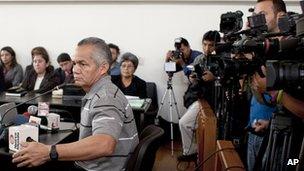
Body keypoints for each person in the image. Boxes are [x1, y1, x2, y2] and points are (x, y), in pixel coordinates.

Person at [12, 37, 138, 171]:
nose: (75, 70)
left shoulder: (105, 97)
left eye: (82, 64)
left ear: (103, 68)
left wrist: (48, 152)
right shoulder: (100, 91)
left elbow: (104, 144)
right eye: (75, 63)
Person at [246, 0, 286, 170]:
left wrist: (272, 89)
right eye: (255, 16)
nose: (257, 21)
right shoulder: (260, 49)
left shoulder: (292, 50)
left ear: (280, 16)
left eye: (263, 15)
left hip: (280, 140)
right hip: (255, 128)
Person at [178, 31, 221, 161]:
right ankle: (192, 153)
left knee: (214, 133)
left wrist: (215, 78)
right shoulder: (199, 59)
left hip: (219, 101)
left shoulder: (223, 60)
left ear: (217, 45)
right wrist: (193, 78)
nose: (207, 48)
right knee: (184, 123)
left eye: (211, 45)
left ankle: (208, 156)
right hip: (201, 99)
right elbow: (193, 80)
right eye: (205, 44)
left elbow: (231, 82)